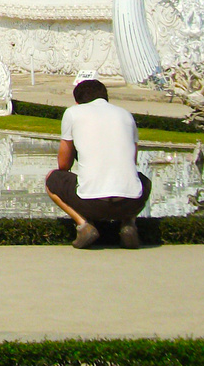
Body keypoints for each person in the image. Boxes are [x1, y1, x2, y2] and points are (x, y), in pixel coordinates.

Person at [44, 75, 152, 249]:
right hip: (130, 202)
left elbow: (63, 166)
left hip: (91, 202)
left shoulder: (73, 113)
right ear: (105, 98)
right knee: (143, 180)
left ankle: (84, 225)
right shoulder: (125, 115)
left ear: (78, 102)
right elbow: (133, 161)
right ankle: (129, 224)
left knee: (52, 178)